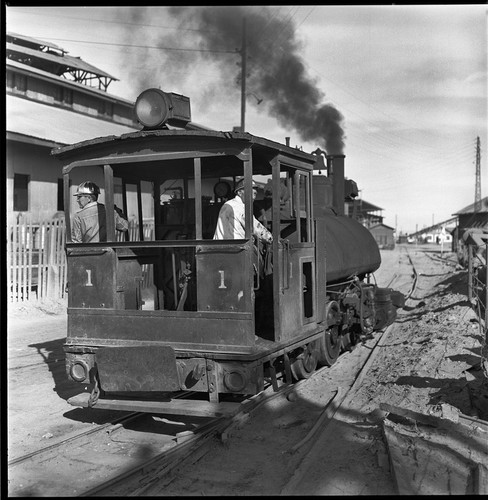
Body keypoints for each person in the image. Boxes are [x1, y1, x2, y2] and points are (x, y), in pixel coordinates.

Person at [213, 178, 272, 244]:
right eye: (251, 191)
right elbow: (254, 226)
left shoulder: (228, 204)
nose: (254, 196)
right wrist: (270, 238)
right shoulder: (238, 207)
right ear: (239, 193)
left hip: (221, 246)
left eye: (255, 193)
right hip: (235, 249)